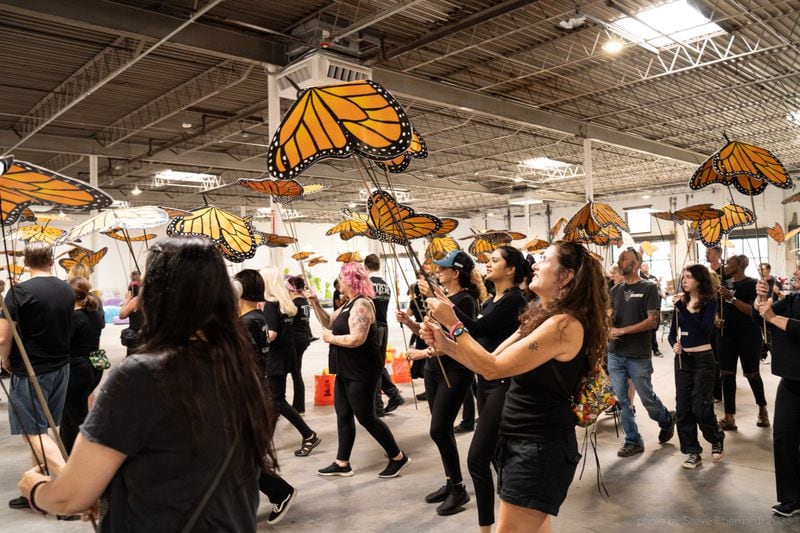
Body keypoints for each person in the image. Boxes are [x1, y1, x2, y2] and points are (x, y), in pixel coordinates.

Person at [17, 237, 276, 531]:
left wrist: (36, 489)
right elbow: (183, 463)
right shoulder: (240, 370)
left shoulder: (143, 375)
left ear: (155, 297)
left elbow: (70, 498)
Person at [421, 241, 609, 532]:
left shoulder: (563, 325)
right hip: (517, 440)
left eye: (545, 260)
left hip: (540, 447)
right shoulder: (537, 313)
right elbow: (490, 359)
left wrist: (455, 325)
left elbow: (492, 370)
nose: (534, 264)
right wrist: (443, 341)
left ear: (566, 275)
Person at [439, 247, 530, 530]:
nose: (487, 264)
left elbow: (474, 331)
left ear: (511, 269)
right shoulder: (492, 301)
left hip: (503, 384)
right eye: (487, 260)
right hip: (485, 383)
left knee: (477, 459)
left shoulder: (514, 300)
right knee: (493, 456)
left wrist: (448, 312)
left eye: (494, 260)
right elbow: (475, 342)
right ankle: (504, 518)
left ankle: (487, 528)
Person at [308, 262, 410, 478]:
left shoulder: (362, 304)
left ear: (352, 281)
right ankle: (342, 463)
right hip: (345, 368)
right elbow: (327, 322)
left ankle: (398, 457)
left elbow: (357, 338)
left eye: (342, 279)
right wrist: (315, 303)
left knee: (366, 417)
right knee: (343, 414)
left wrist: (331, 338)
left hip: (361, 370)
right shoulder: (348, 304)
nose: (339, 282)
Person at [401, 250, 480, 516]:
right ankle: (451, 482)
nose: (438, 272)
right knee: (442, 430)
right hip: (434, 370)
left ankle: (458, 489)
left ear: (456, 272)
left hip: (455, 370)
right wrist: (411, 324)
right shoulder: (438, 301)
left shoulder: (464, 301)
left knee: (438, 430)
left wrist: (421, 353)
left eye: (443, 269)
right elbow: (430, 336)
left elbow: (457, 341)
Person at [0, 242, 74, 510]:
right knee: (43, 430)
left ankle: (73, 489)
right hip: (60, 368)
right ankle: (37, 490)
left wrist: (5, 359)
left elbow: (3, 337)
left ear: (26, 263)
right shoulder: (67, 289)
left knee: (33, 431)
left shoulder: (19, 292)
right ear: (51, 260)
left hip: (32, 370)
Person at [233, 269, 297, 525]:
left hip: (246, 395)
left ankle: (280, 491)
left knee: (240, 456)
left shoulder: (248, 321)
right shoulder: (257, 318)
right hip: (256, 392)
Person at [608, 247, 675, 458]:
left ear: (636, 263)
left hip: (638, 353)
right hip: (615, 353)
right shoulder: (615, 291)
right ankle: (633, 440)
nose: (619, 261)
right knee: (622, 399)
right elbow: (609, 315)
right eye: (619, 258)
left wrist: (623, 330)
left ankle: (666, 419)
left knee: (646, 398)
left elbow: (653, 321)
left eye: (624, 258)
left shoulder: (648, 288)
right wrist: (605, 325)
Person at [667, 265, 725, 469]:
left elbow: (703, 330)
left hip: (703, 360)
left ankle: (715, 437)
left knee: (701, 405)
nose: (684, 280)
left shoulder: (709, 302)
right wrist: (673, 343)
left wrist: (682, 308)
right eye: (683, 277)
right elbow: (673, 332)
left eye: (689, 277)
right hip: (682, 361)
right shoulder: (680, 302)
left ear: (699, 280)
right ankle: (692, 451)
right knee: (683, 408)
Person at [755, 264, 800, 517]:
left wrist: (772, 317)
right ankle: (792, 498)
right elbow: (760, 317)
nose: (796, 271)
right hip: (792, 381)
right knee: (783, 437)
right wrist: (760, 299)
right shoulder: (793, 298)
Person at [261, 267, 320, 457]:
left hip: (277, 356)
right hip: (287, 354)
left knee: (277, 401)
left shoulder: (271, 303)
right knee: (273, 400)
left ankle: (308, 434)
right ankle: (262, 443)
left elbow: (271, 334)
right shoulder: (285, 301)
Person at [716, 254, 769, 430]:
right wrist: (717, 319)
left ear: (739, 265)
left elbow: (752, 311)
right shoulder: (724, 284)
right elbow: (717, 308)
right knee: (727, 374)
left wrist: (731, 298)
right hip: (726, 335)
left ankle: (762, 409)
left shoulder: (752, 284)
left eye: (729, 263)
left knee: (752, 374)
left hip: (748, 336)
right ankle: (729, 416)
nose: (725, 265)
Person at [60, 277, 106, 454]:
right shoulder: (95, 312)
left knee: (74, 416)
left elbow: (62, 342)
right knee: (75, 412)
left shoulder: (74, 317)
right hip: (96, 362)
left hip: (79, 367)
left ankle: (80, 454)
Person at [364, 254, 405, 416]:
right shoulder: (385, 285)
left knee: (373, 366)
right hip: (384, 325)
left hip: (372, 327)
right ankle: (392, 395)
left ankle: (378, 406)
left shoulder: (368, 284)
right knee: (378, 364)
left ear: (366, 266)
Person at [287, 276, 313, 414]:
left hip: (296, 340)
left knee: (296, 373)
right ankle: (298, 406)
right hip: (302, 338)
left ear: (293, 289)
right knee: (296, 372)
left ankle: (299, 407)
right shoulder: (304, 302)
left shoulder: (295, 304)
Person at [640, 262, 663, 357]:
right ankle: (655, 349)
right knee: (651, 328)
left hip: (656, 303)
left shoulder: (653, 276)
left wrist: (662, 291)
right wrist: (655, 285)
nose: (646, 266)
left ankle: (652, 347)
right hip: (646, 305)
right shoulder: (641, 278)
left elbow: (659, 288)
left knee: (655, 327)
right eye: (643, 265)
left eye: (646, 265)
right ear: (640, 268)